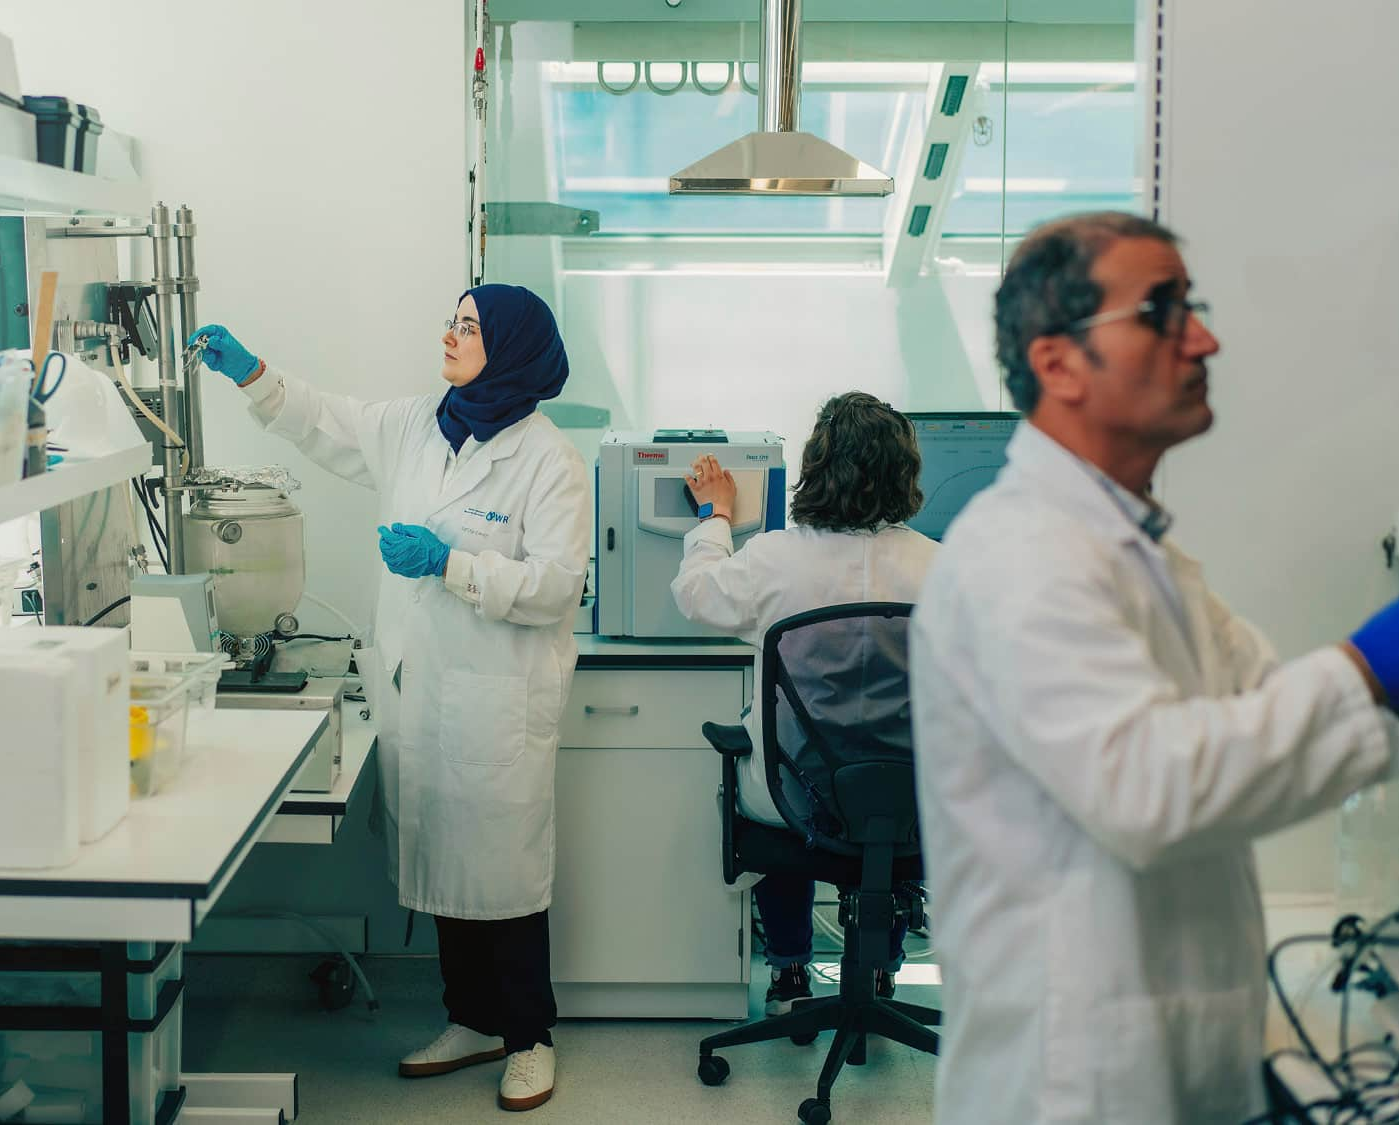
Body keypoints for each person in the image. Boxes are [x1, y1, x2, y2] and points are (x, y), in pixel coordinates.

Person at [909, 212, 1399, 1124]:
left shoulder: (1136, 550)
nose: (1205, 337)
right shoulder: (1021, 557)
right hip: (1073, 1086)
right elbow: (1149, 787)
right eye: (1163, 311)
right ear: (1059, 363)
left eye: (1189, 306)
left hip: (1175, 1054)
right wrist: (1368, 670)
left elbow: (1258, 722)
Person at [189, 283, 590, 1113]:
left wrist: (450, 564)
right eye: (452, 319)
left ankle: (528, 1037)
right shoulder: (418, 424)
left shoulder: (549, 459)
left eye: (469, 327)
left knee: (504, 881)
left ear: (511, 347)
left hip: (497, 700)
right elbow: (325, 419)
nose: (450, 334)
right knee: (444, 863)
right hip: (421, 694)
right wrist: (252, 372)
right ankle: (470, 1020)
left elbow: (556, 588)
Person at [671, 392, 937, 1017]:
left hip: (797, 798)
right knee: (891, 818)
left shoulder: (775, 559)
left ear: (816, 468)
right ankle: (879, 975)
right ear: (905, 473)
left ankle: (789, 971)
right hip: (910, 800)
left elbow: (697, 596)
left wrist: (714, 517)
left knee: (782, 802)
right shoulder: (945, 569)